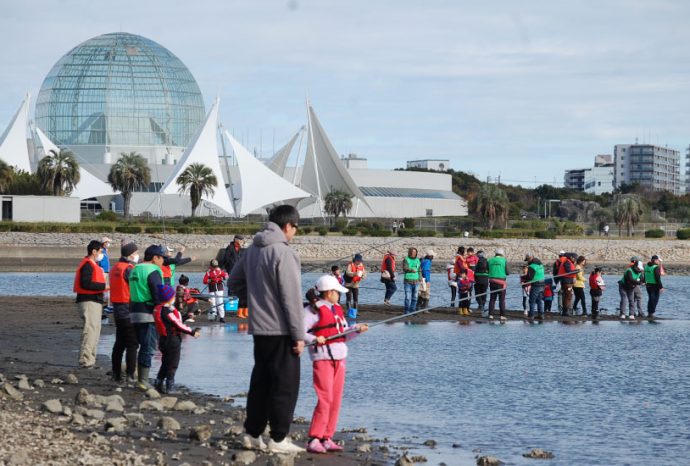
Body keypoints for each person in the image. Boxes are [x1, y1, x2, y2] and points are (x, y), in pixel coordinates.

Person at [227, 205, 306, 454]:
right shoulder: (283, 252)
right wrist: (299, 335)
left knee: (261, 381)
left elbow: (234, 282)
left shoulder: (252, 250)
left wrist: (253, 300)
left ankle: (252, 433)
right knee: (285, 384)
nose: (294, 233)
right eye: (295, 228)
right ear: (287, 226)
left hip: (259, 328)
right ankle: (279, 438)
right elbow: (291, 298)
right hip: (282, 329)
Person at [303, 275, 368, 453]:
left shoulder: (337, 309)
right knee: (326, 399)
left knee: (336, 400)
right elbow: (299, 332)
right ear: (329, 292)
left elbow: (343, 334)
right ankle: (314, 438)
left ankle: (327, 437)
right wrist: (315, 338)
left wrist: (357, 330)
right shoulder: (313, 310)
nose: (339, 296)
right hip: (322, 358)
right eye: (337, 292)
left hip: (339, 358)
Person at [129, 244, 166, 390]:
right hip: (148, 312)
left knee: (141, 345)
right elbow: (157, 292)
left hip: (134, 311)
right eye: (162, 258)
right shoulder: (153, 271)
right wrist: (162, 311)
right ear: (155, 257)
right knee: (148, 347)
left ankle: (139, 378)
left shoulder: (136, 268)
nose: (163, 261)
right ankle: (143, 381)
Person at [153, 284, 201, 394]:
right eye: (173, 296)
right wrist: (193, 332)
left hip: (163, 340)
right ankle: (170, 387)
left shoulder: (159, 309)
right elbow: (177, 325)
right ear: (169, 298)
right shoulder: (167, 312)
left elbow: (175, 321)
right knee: (173, 364)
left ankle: (158, 383)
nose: (174, 298)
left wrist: (188, 316)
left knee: (165, 363)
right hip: (172, 341)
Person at [73, 239, 108, 368]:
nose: (102, 254)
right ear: (94, 252)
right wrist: (104, 285)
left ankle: (91, 359)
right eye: (100, 251)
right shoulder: (87, 265)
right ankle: (85, 360)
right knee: (90, 330)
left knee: (95, 330)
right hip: (88, 301)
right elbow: (85, 283)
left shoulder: (93, 265)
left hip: (94, 301)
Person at [109, 242, 139, 383]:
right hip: (127, 308)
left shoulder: (115, 267)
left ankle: (116, 373)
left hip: (116, 308)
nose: (137, 255)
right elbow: (136, 285)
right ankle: (130, 374)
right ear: (130, 254)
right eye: (136, 252)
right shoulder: (128, 268)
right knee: (132, 344)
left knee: (119, 343)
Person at [487, 248, 509, 321]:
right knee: (502, 300)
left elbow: (487, 270)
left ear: (495, 253)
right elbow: (507, 272)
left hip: (492, 281)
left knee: (492, 299)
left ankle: (490, 315)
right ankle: (502, 316)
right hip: (501, 282)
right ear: (502, 254)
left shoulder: (490, 260)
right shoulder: (504, 260)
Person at [523, 253, 545, 320]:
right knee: (539, 300)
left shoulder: (532, 266)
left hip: (536, 284)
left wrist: (524, 281)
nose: (527, 262)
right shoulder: (540, 264)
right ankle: (541, 315)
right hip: (542, 283)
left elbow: (530, 277)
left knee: (532, 300)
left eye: (527, 260)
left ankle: (531, 315)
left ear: (530, 258)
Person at [403, 247, 421, 314]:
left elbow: (419, 270)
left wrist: (420, 279)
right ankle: (406, 311)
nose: (414, 253)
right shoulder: (406, 259)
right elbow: (405, 268)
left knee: (415, 297)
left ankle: (412, 310)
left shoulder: (418, 260)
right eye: (413, 252)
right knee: (407, 297)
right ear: (410, 252)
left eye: (415, 252)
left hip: (416, 281)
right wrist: (411, 270)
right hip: (408, 281)